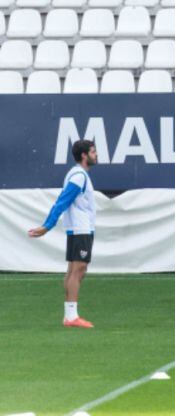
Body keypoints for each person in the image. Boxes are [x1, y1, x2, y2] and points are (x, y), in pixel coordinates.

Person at [28, 139, 98, 328]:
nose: (96, 154)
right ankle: (72, 317)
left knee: (73, 270)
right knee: (78, 270)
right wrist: (47, 225)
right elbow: (62, 201)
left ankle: (69, 316)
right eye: (93, 151)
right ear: (84, 155)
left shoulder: (78, 174)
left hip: (79, 228)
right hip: (80, 229)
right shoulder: (78, 176)